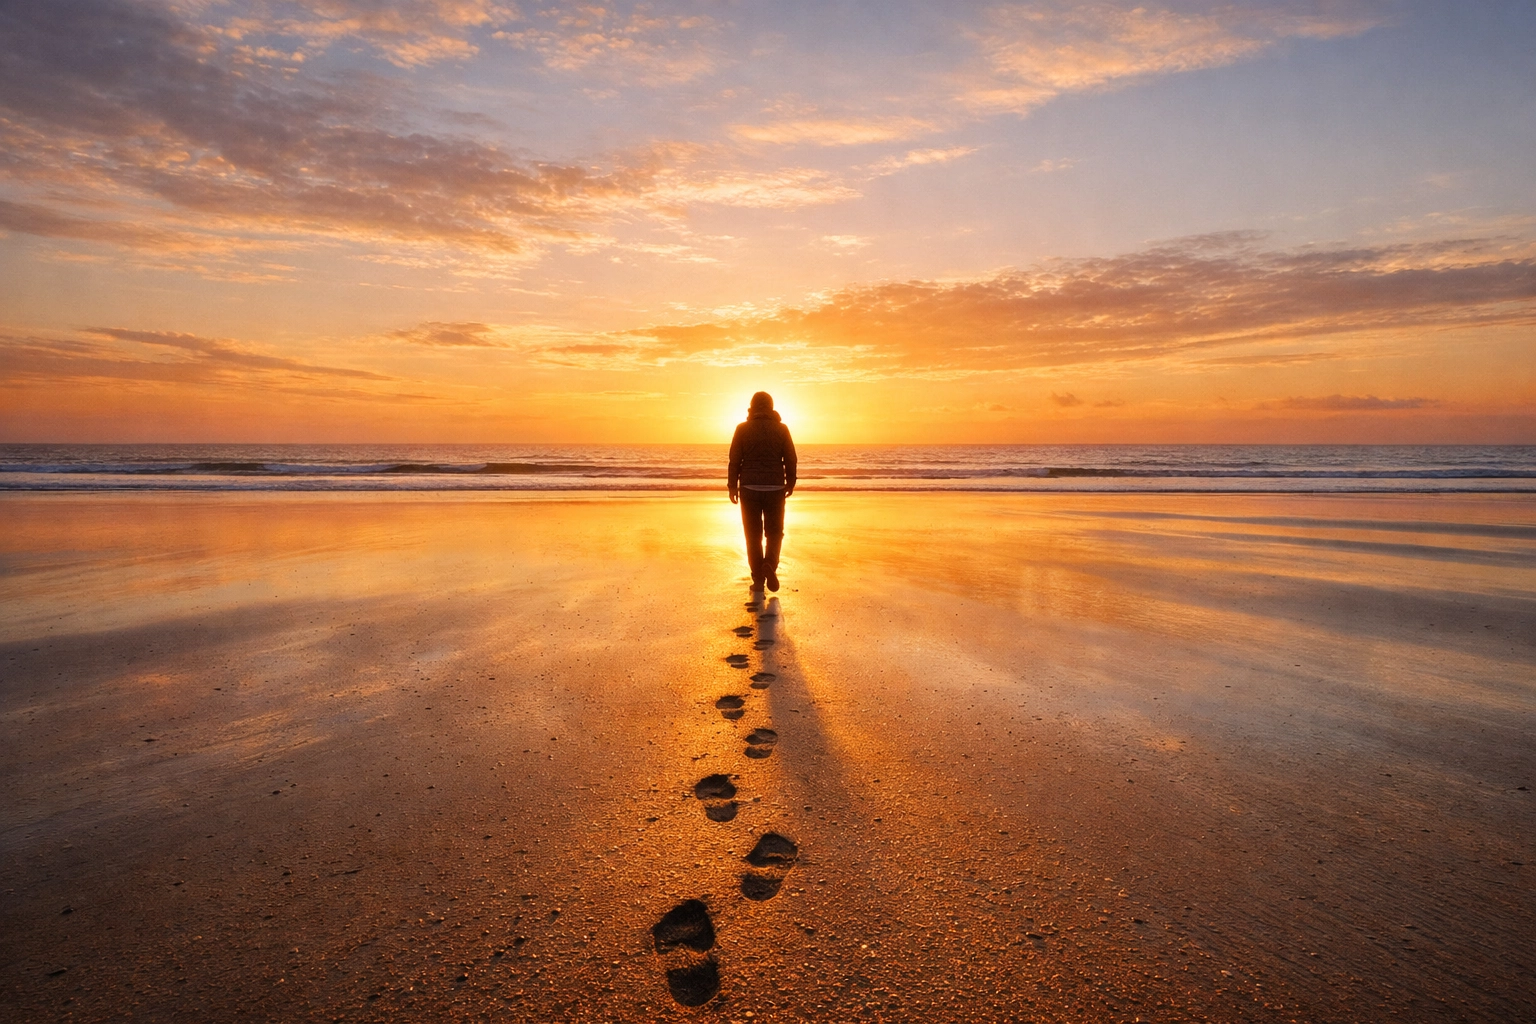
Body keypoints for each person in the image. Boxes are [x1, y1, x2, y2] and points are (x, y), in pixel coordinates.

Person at [727, 392, 797, 592]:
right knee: (775, 533)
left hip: (749, 488)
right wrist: (790, 481)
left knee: (752, 535)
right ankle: (769, 564)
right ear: (771, 407)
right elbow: (791, 458)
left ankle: (758, 579)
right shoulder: (782, 429)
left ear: (752, 407)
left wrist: (732, 486)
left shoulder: (742, 429)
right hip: (775, 487)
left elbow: (734, 460)